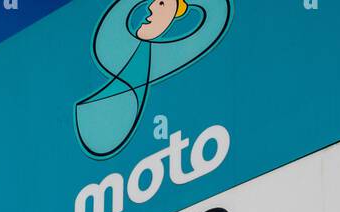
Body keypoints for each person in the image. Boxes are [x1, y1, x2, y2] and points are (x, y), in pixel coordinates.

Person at [75, 0, 231, 160]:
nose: (150, 7)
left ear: (175, 16)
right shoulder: (134, 62)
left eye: (161, 3)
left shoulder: (152, 62)